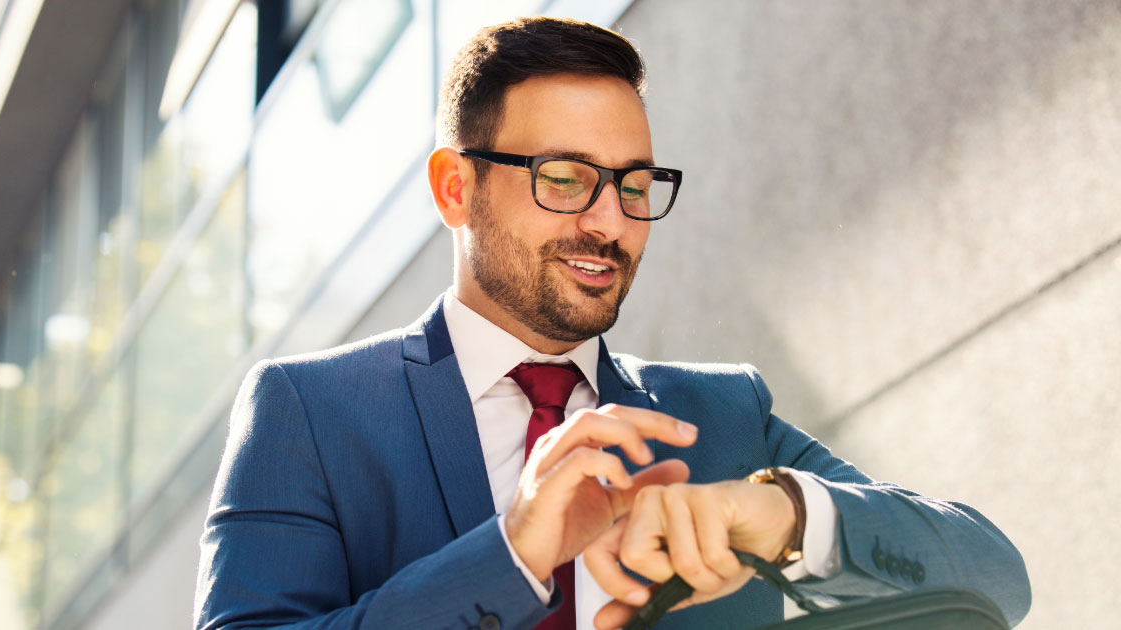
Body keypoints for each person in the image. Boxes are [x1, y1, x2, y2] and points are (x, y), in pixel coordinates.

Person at [193, 16, 1030, 630]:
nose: (609, 221)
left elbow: (997, 576)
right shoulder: (310, 411)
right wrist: (514, 551)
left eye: (634, 184)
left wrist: (782, 516)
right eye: (564, 177)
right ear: (456, 188)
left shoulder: (725, 414)